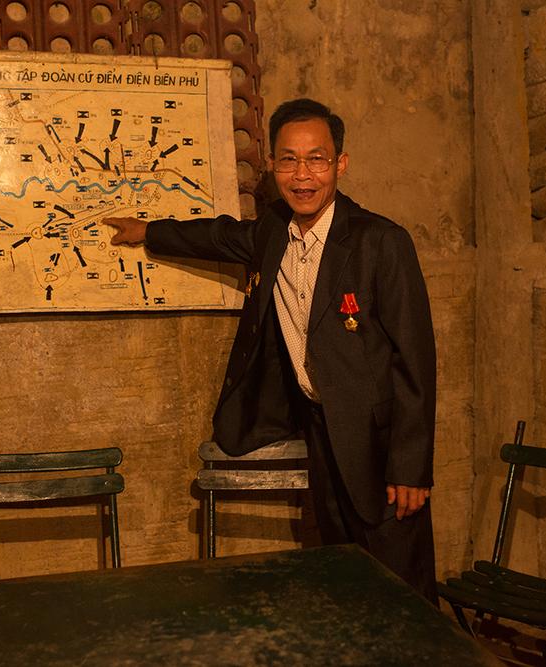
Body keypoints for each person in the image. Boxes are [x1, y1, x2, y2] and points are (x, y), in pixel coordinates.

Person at [103, 98, 437, 602]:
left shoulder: (380, 242)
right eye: (289, 160)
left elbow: (415, 361)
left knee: (402, 591)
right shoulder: (273, 232)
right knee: (346, 580)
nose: (302, 175)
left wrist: (410, 469)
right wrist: (148, 232)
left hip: (380, 449)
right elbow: (217, 236)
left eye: (317, 159)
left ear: (340, 164)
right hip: (322, 435)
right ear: (273, 165)